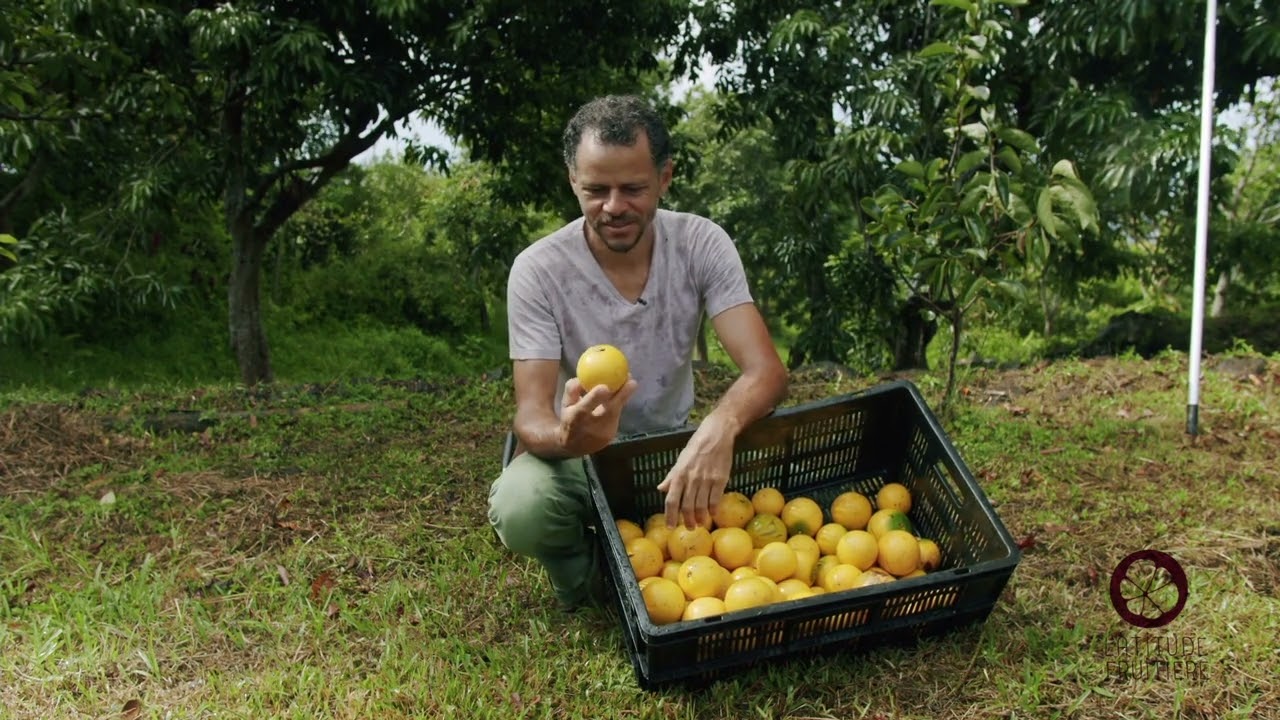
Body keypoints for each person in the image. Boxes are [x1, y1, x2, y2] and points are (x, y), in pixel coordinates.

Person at [486, 94, 789, 609]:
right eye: (595, 190)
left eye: (632, 188)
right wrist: (568, 435)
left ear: (664, 177)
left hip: (673, 452)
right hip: (582, 461)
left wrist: (719, 426)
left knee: (766, 479)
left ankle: (667, 565)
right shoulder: (538, 271)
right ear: (572, 181)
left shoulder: (700, 243)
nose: (613, 207)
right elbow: (530, 416)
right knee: (522, 505)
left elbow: (767, 372)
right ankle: (591, 578)